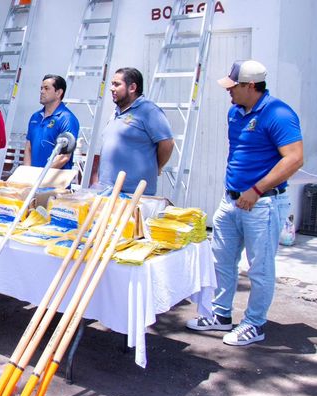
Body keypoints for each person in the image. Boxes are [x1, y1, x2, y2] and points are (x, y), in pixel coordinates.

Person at [186, 60, 303, 346]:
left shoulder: (278, 114)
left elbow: (294, 158)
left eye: (233, 86)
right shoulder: (235, 113)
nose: (229, 91)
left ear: (250, 86)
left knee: (260, 268)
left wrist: (257, 189)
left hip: (262, 203)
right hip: (232, 201)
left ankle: (254, 324)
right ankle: (220, 314)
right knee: (221, 261)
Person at [96, 67, 174, 195]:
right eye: (112, 84)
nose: (111, 88)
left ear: (132, 88)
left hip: (133, 193)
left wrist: (157, 167)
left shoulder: (149, 111)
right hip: (106, 189)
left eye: (117, 84)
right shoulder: (116, 111)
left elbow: (167, 143)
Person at [24, 74, 80, 169]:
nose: (42, 91)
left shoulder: (67, 119)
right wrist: (28, 174)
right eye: (41, 88)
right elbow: (28, 148)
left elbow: (64, 157)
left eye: (46, 88)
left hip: (53, 182)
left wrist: (41, 176)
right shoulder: (35, 117)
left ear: (58, 93)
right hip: (33, 180)